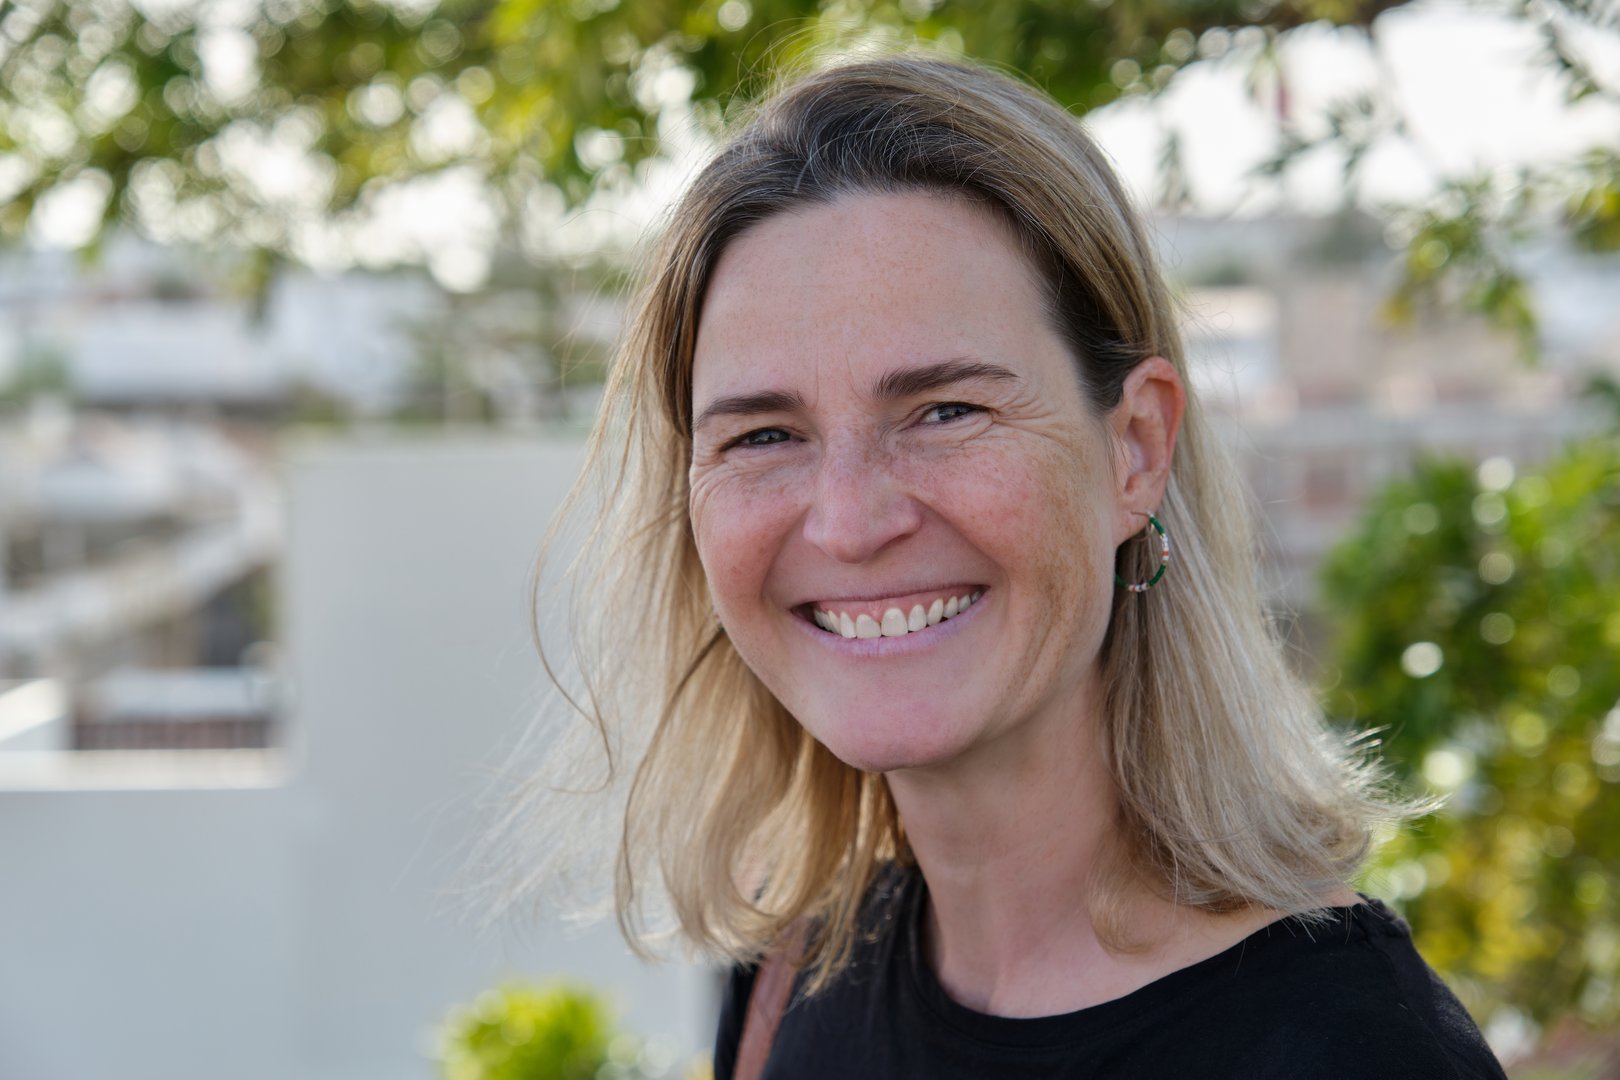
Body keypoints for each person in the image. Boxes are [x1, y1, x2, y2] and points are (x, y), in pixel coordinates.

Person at [524, 52, 1508, 1079]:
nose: (850, 523)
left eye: (947, 412)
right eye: (764, 435)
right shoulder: (793, 968)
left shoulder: (1354, 1052)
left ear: (1135, 448)